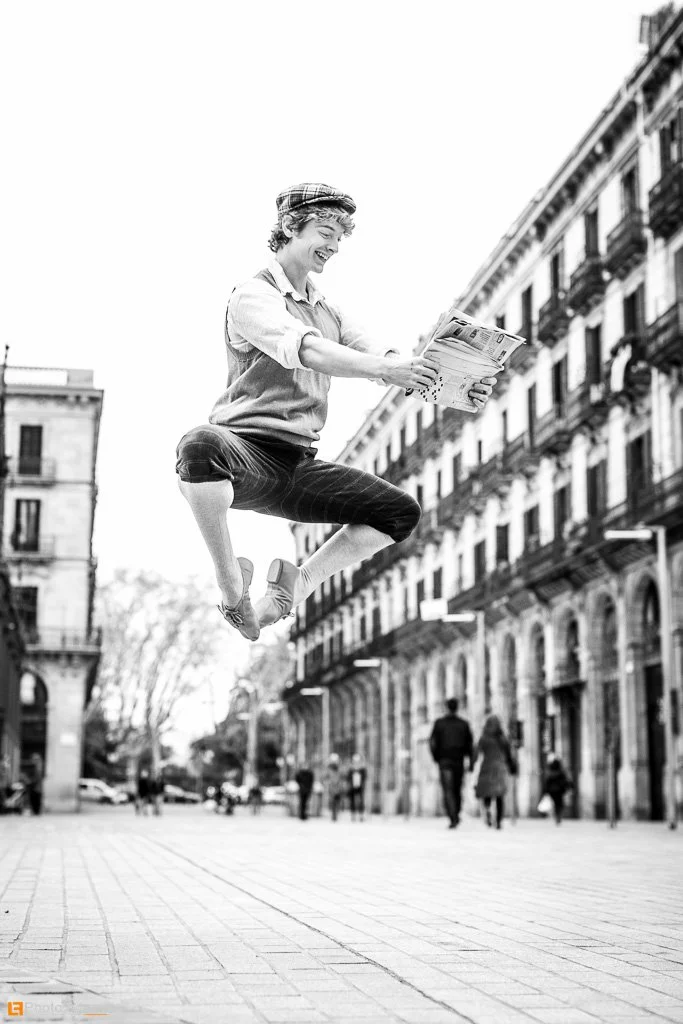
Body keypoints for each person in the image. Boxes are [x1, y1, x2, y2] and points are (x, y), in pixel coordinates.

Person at [175, 183, 496, 640]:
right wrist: (387, 368)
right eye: (325, 232)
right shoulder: (252, 296)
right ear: (290, 227)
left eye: (340, 238)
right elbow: (308, 351)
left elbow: (381, 355)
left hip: (297, 465)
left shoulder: (330, 310)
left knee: (400, 511)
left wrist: (451, 383)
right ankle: (232, 594)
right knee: (197, 445)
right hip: (242, 455)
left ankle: (291, 590)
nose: (333, 246)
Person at [429, 698, 474, 829]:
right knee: (456, 788)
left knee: (448, 790)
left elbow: (432, 742)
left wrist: (436, 758)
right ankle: (456, 813)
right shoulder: (463, 724)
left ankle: (453, 816)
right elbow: (470, 745)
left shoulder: (439, 723)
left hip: (444, 761)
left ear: (447, 708)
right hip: (458, 760)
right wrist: (470, 761)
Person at [474, 714, 516, 829]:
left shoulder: (483, 738)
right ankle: (498, 821)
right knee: (499, 795)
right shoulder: (503, 738)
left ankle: (487, 810)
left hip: (487, 767)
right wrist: (512, 767)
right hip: (500, 768)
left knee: (486, 793)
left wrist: (472, 764)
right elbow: (509, 755)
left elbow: (476, 752)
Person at [544, 754, 572, 825]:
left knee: (556, 804)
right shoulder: (561, 772)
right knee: (560, 804)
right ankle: (558, 817)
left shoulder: (550, 772)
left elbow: (547, 782)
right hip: (559, 790)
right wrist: (569, 787)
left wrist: (546, 791)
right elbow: (566, 781)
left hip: (552, 791)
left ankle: (557, 817)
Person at [347, 753, 367, 822]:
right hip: (352, 787)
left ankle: (361, 815)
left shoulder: (362, 769)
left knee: (361, 801)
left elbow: (365, 777)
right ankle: (353, 815)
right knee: (352, 801)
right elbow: (348, 777)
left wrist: (361, 783)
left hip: (360, 787)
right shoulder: (351, 769)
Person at [326, 756, 344, 822]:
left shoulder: (338, 771)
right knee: (334, 801)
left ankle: (335, 814)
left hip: (337, 788)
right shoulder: (331, 770)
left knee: (336, 801)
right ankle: (334, 815)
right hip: (334, 788)